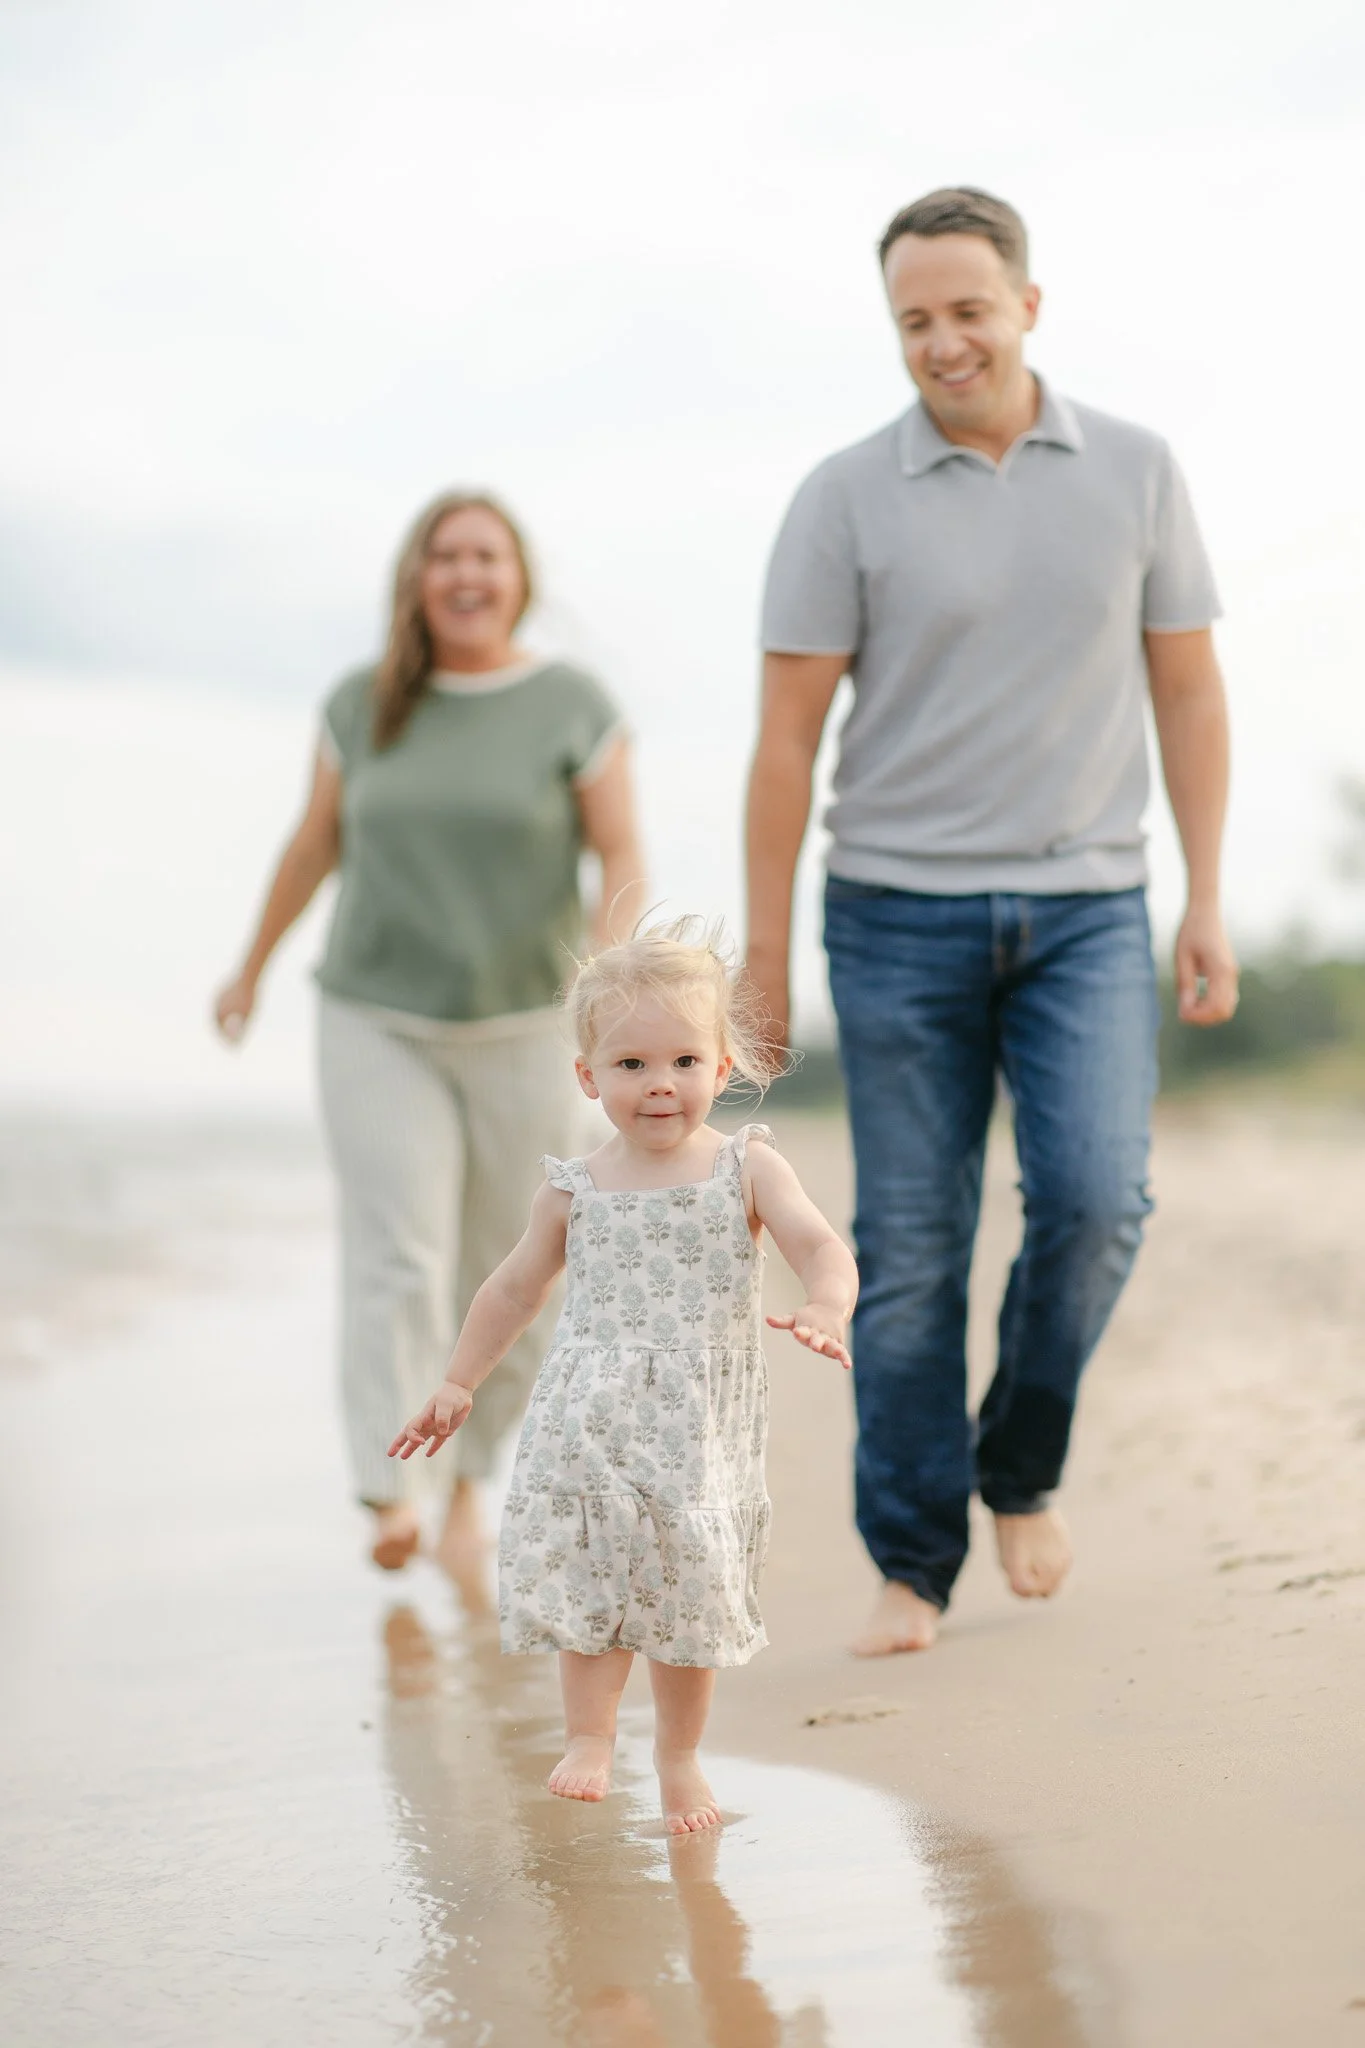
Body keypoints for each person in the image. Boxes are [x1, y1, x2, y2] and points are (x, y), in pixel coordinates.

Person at [745, 187, 1238, 1657]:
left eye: (968, 309)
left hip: (1089, 905)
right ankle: (911, 1560)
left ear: (1029, 304)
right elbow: (784, 739)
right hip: (892, 914)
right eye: (913, 320)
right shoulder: (842, 496)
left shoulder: (1138, 471)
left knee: (1094, 1204)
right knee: (909, 1248)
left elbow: (1191, 689)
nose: (942, 342)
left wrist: (1205, 890)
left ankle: (1017, 1467)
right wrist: (762, 956)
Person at [215, 490, 646, 1578]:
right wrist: (252, 966)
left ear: (519, 578)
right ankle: (390, 1481)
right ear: (416, 577)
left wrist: (608, 1005)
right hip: (376, 1015)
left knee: (516, 1261)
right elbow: (314, 844)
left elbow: (621, 862)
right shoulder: (365, 703)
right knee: (398, 1252)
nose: (465, 575)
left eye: (486, 557)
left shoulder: (572, 703)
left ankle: (472, 1477)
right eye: (444, 556)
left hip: (527, 1024)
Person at [388, 922, 859, 1831]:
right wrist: (458, 1381)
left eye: (684, 1060)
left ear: (722, 1068)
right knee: (591, 1574)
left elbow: (817, 1245)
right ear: (587, 1077)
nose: (659, 1085)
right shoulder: (574, 1186)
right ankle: (590, 1735)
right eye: (632, 1064)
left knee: (689, 1585)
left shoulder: (744, 1167)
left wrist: (826, 1307)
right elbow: (512, 1290)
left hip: (698, 1428)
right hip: (586, 1417)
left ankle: (679, 1756)